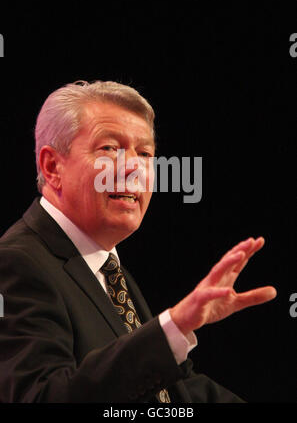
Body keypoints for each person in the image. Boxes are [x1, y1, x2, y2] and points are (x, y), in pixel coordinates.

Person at [0, 80, 276, 403]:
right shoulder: (15, 264)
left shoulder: (108, 270)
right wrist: (172, 326)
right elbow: (44, 397)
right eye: (109, 149)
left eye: (145, 153)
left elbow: (174, 392)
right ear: (52, 167)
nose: (135, 169)